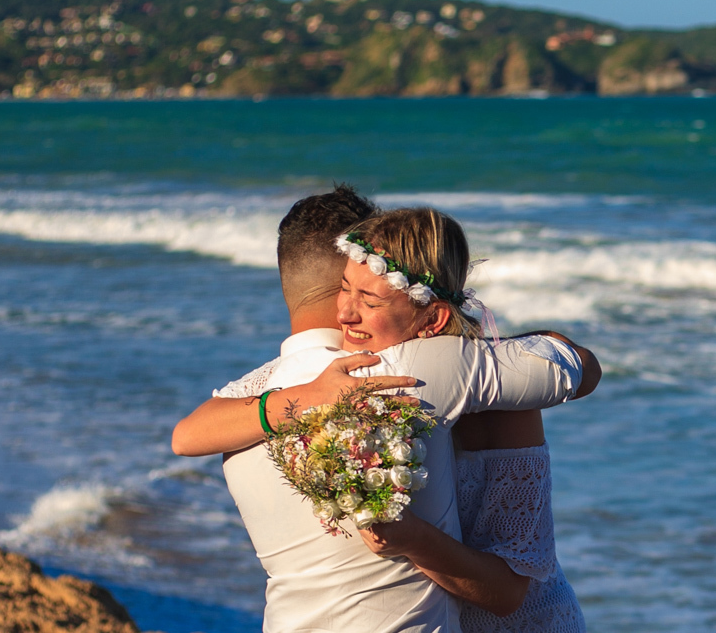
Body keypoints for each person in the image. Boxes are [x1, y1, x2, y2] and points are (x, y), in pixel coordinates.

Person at [172, 190, 596, 632]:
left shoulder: (244, 400)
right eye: (346, 288)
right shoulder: (419, 370)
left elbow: (184, 437)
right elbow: (577, 366)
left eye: (369, 298)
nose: (348, 311)